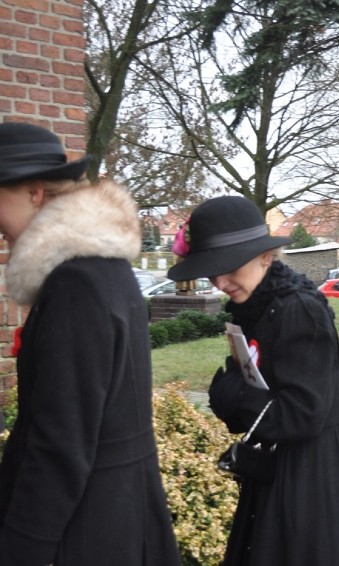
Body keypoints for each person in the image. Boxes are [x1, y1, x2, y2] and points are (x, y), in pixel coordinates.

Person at [0, 122, 181, 565]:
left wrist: (21, 549)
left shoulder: (74, 285)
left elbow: (61, 444)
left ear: (35, 193)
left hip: (86, 527)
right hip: (113, 510)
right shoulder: (103, 271)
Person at [167, 195, 339, 566]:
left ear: (266, 257)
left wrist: (231, 394)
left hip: (315, 477)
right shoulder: (257, 306)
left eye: (229, 266)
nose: (219, 280)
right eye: (211, 270)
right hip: (277, 468)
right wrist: (234, 396)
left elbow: (302, 413)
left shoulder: (298, 309)